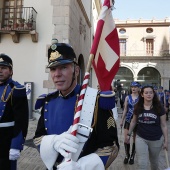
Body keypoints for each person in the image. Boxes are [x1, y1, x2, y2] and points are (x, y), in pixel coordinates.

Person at [33, 41, 119, 170]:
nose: (57, 74)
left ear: (76, 71)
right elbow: (38, 138)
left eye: (63, 67)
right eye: (53, 69)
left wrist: (81, 166)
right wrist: (53, 142)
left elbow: (111, 147)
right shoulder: (48, 101)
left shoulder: (95, 100)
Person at [125, 85, 168, 170]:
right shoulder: (138, 107)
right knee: (142, 164)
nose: (149, 94)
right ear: (142, 94)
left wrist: (166, 141)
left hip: (156, 139)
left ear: (153, 94)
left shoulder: (159, 108)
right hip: (141, 138)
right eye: (146, 93)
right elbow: (133, 121)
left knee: (154, 163)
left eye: (151, 93)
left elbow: (164, 125)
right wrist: (128, 134)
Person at [0, 54, 29, 170]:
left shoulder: (17, 89)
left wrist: (16, 145)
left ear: (11, 71)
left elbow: (21, 121)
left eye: (4, 68)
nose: (0, 71)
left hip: (6, 140)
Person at [120, 81, 140, 165]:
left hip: (137, 121)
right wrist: (122, 120)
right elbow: (125, 109)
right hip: (128, 120)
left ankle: (132, 156)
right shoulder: (127, 97)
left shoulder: (141, 98)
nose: (133, 88)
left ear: (139, 88)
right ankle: (127, 155)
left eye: (135, 87)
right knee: (126, 139)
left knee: (135, 139)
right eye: (132, 87)